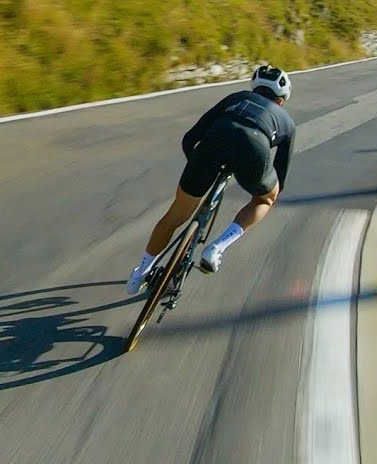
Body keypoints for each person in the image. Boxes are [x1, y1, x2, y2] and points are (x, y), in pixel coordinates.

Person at [126, 65, 296, 295]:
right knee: (266, 199)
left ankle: (140, 274)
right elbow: (281, 174)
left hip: (215, 141)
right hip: (254, 149)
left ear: (254, 87)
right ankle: (217, 247)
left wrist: (197, 166)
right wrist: (268, 190)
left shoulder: (236, 98)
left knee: (175, 215)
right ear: (281, 100)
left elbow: (190, 138)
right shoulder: (286, 121)